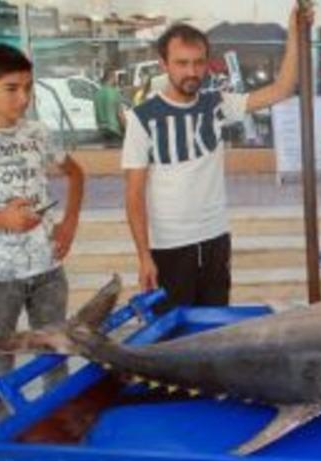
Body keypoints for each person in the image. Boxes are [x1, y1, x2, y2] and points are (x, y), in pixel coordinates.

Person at [122, 7, 311, 312]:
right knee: (171, 338)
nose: (191, 71)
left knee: (214, 325)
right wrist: (144, 256)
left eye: (198, 63)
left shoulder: (217, 104)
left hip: (215, 239)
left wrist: (296, 31)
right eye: (182, 63)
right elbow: (133, 195)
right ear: (164, 64)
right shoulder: (142, 118)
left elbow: (281, 88)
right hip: (168, 246)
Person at [0, 44, 85, 381]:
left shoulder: (38, 132)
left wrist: (69, 225)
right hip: (1, 277)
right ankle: (4, 429)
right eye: (11, 89)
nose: (23, 98)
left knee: (53, 355)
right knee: (1, 361)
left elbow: (76, 173)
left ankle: (55, 424)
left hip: (48, 269)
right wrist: (2, 219)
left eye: (28, 87)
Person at [94, 67, 126, 147]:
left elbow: (97, 115)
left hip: (102, 131)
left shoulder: (97, 94)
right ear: (111, 77)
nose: (116, 80)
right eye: (116, 77)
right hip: (114, 130)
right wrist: (126, 129)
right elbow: (120, 115)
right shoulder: (115, 93)